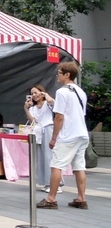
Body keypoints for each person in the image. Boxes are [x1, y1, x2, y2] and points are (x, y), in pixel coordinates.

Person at [37, 62, 89, 210]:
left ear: (67, 75)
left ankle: (51, 199)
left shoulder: (62, 92)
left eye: (59, 73)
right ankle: (81, 198)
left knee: (56, 165)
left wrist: (54, 137)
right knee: (79, 166)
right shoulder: (81, 92)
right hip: (82, 133)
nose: (57, 75)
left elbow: (59, 117)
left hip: (68, 134)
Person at [25, 83, 55, 191]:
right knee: (40, 157)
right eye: (32, 93)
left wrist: (45, 94)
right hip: (38, 131)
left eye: (36, 92)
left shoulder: (47, 103)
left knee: (49, 156)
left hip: (48, 129)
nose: (34, 95)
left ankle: (55, 183)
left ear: (41, 93)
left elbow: (52, 102)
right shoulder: (33, 108)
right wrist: (26, 108)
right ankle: (46, 182)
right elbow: (33, 120)